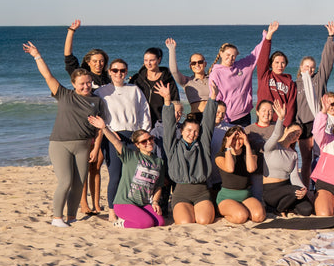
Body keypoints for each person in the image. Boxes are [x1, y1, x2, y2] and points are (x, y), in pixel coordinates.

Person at [88, 117, 166, 229]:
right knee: (146, 223)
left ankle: (136, 216)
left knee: (160, 222)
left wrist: (155, 202)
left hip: (143, 204)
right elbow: (115, 142)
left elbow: (158, 186)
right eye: (144, 141)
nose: (148, 142)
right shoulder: (131, 156)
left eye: (150, 139)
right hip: (124, 203)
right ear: (137, 145)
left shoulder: (159, 162)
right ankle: (121, 223)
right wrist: (104, 128)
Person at [96, 59, 152, 209]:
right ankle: (112, 209)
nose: (118, 73)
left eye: (122, 71)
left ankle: (133, 206)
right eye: (115, 70)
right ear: (109, 72)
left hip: (134, 137)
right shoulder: (101, 91)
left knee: (134, 175)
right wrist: (108, 130)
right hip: (112, 137)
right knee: (115, 175)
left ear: (126, 72)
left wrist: (143, 134)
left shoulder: (134, 89)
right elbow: (96, 115)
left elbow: (144, 112)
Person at [157, 86, 217, 225]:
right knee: (185, 222)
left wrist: (212, 99)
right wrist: (167, 100)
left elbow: (208, 123)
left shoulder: (202, 145)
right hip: (181, 193)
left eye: (196, 131)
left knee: (204, 221)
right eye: (189, 130)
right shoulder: (173, 146)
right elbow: (169, 125)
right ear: (182, 131)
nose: (192, 134)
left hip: (201, 192)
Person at [249, 98, 312, 217]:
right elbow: (276, 134)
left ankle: (285, 206)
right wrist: (281, 118)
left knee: (306, 209)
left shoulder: (293, 154)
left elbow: (294, 176)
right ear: (286, 129)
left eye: (297, 134)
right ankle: (278, 209)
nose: (294, 135)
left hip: (287, 188)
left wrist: (304, 189)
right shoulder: (271, 146)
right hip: (270, 190)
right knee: (294, 191)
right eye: (293, 131)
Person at [214, 126, 266, 225]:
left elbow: (251, 169)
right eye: (234, 139)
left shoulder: (251, 153)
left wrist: (247, 145)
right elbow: (230, 169)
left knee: (259, 216)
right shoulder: (220, 156)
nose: (237, 142)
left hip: (246, 196)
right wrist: (228, 147)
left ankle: (240, 208)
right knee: (241, 217)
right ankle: (225, 212)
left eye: (240, 139)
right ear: (227, 139)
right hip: (227, 197)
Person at [132, 47, 178, 124]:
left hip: (161, 122)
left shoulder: (167, 79)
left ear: (159, 60)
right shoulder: (137, 78)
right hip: (141, 121)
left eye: (152, 60)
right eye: (146, 60)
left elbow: (175, 100)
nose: (148, 63)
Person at [62, 20, 110, 87]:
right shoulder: (82, 76)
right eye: (95, 61)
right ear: (88, 62)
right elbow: (68, 56)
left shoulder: (109, 78)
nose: (98, 64)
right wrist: (71, 31)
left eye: (101, 61)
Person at [167, 37, 211, 107]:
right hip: (197, 116)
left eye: (200, 62)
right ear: (190, 66)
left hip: (216, 116)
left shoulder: (213, 79)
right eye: (193, 63)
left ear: (205, 64)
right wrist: (172, 49)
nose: (197, 65)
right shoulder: (187, 81)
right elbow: (174, 71)